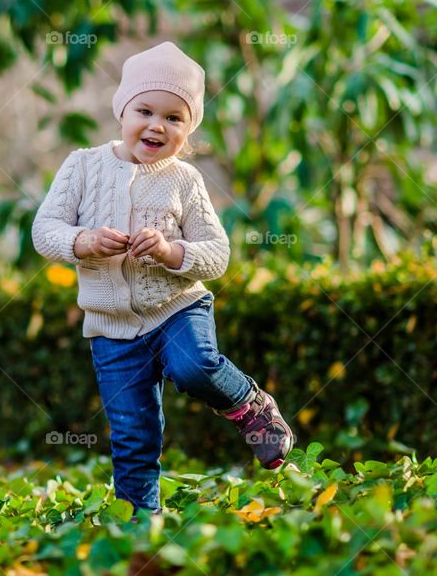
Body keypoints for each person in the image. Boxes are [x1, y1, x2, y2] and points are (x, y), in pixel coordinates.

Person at [31, 41, 295, 520]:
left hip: (176, 307)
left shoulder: (184, 181)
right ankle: (140, 523)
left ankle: (249, 404)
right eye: (145, 110)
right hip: (110, 326)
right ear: (122, 111)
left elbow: (217, 255)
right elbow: (44, 230)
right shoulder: (83, 166)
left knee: (195, 368)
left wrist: (172, 252)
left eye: (175, 118)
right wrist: (83, 241)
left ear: (188, 132)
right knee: (133, 435)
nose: (157, 125)